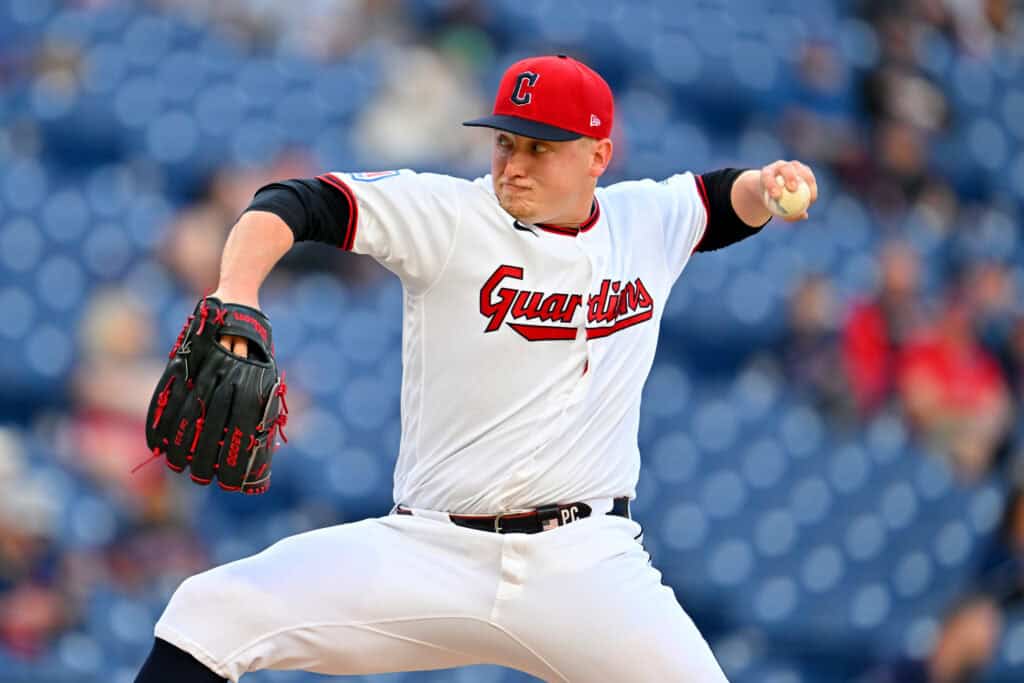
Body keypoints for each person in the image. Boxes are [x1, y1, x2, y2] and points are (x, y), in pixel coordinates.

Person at [134, 54, 818, 683]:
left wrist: (768, 183)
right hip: (431, 551)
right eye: (505, 142)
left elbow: (724, 202)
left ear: (598, 155)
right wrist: (236, 291)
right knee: (208, 614)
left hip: (586, 564)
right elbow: (294, 201)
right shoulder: (450, 214)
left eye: (539, 148)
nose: (513, 164)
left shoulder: (645, 221)